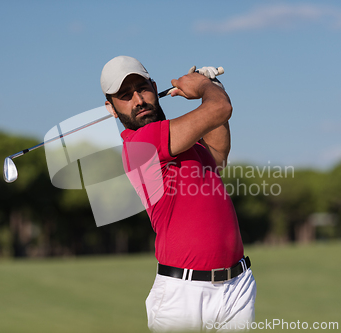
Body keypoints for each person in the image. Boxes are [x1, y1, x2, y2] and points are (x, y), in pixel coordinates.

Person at [100, 55, 256, 332]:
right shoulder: (142, 142)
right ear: (111, 108)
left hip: (237, 285)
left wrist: (209, 86)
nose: (138, 100)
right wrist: (205, 90)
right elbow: (221, 107)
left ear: (155, 87)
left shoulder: (189, 144)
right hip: (183, 295)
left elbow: (218, 154)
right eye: (125, 96)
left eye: (143, 89)